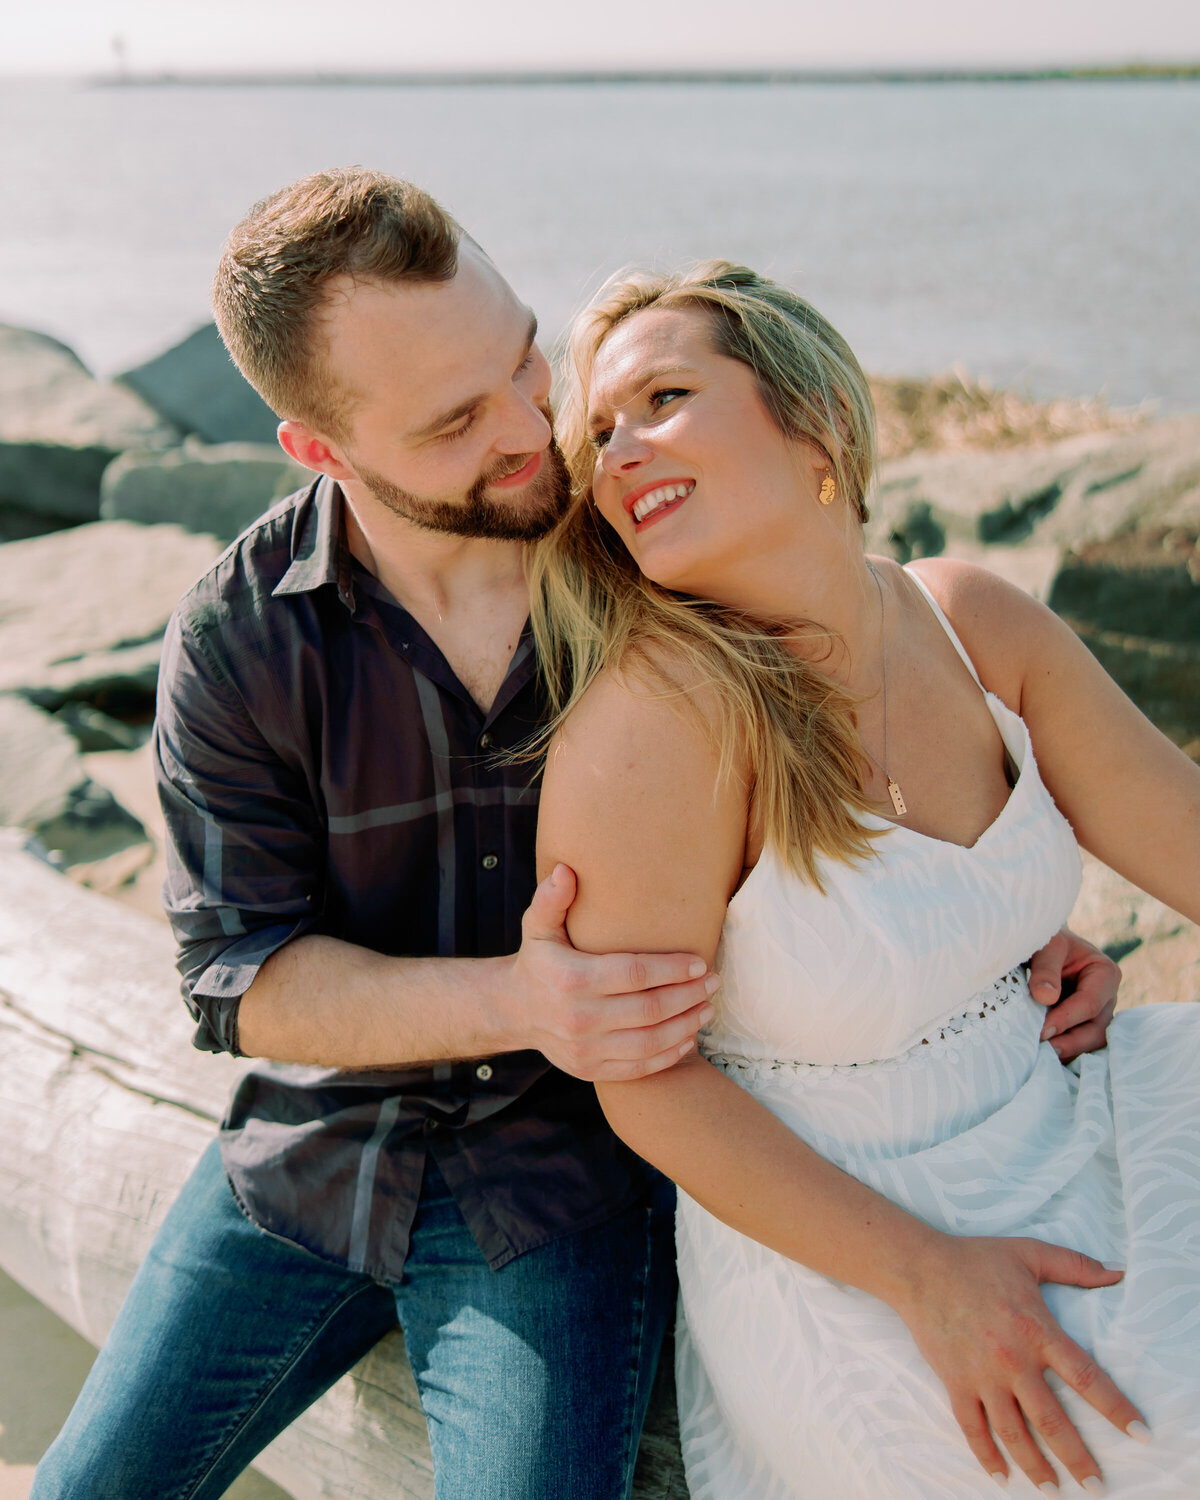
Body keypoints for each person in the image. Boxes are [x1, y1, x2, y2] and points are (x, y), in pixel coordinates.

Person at [32, 173, 1118, 1500]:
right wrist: (524, 998)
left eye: (523, 359)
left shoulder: (650, 552)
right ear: (320, 450)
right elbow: (234, 976)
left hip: (566, 1187)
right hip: (311, 1162)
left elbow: (868, 758)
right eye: (455, 421)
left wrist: (995, 938)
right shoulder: (242, 635)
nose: (528, 430)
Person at [530, 260, 1200, 1498]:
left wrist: (1013, 973)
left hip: (1071, 1117)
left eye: (664, 398)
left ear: (819, 418)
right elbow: (647, 1085)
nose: (618, 452)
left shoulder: (970, 620)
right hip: (852, 1249)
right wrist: (926, 1279)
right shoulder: (657, 721)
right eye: (601, 431)